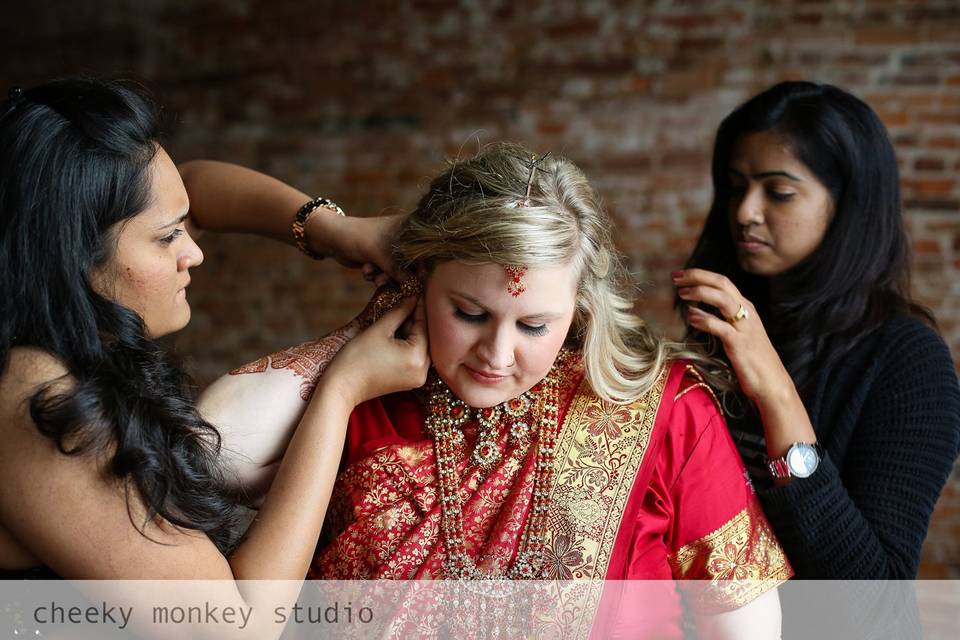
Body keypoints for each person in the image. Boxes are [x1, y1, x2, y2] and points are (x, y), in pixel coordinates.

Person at [211, 142, 792, 639]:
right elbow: (216, 448)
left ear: (579, 307)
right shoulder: (363, 396)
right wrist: (353, 340)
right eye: (468, 312)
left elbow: (743, 625)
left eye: (534, 326)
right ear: (419, 280)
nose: (496, 354)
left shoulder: (661, 408)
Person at [0, 78, 427, 638]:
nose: (194, 252)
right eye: (168, 237)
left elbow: (196, 184)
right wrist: (341, 391)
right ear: (70, 253)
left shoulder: (46, 329)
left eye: (185, 227)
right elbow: (237, 628)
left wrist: (336, 230)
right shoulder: (33, 397)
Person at [675, 81, 960, 633]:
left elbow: (870, 608)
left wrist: (777, 393)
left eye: (778, 192)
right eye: (736, 188)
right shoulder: (722, 334)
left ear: (847, 202)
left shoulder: (907, 360)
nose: (745, 213)